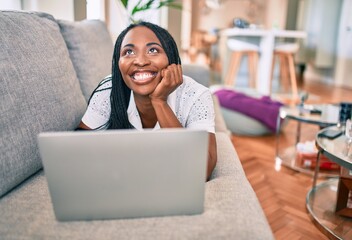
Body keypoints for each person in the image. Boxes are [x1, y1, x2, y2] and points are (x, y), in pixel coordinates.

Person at [77, 21, 217, 180]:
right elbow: (78, 147)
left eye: (153, 50)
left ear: (171, 60)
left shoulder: (197, 95)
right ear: (118, 63)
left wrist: (159, 101)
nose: (140, 61)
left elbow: (201, 170)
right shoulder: (109, 89)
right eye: (129, 52)